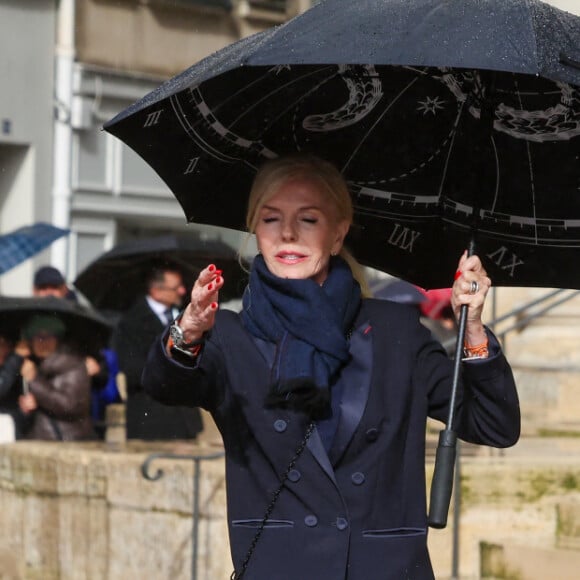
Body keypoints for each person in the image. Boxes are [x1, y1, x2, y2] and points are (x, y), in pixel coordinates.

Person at [141, 154, 520, 579]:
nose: (287, 233)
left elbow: (494, 424)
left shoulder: (396, 331)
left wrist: (473, 330)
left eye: (308, 219)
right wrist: (188, 330)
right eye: (270, 219)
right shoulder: (229, 336)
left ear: (337, 233)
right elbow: (162, 387)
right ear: (254, 230)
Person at [112, 263, 203, 440]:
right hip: (152, 420)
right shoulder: (131, 323)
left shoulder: (185, 312)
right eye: (176, 288)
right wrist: (170, 365)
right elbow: (133, 371)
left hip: (185, 419)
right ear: (156, 291)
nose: (182, 291)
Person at [18, 315, 97, 441]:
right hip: (39, 440)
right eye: (37, 338)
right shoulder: (31, 364)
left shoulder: (72, 364)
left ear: (58, 339)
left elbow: (69, 405)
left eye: (48, 337)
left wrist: (34, 381)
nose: (42, 342)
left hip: (66, 440)